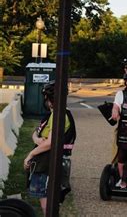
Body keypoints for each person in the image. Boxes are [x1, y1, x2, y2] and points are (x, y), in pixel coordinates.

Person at [23, 82, 76, 215]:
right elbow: (37, 133)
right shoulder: (56, 114)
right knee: (45, 200)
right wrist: (37, 139)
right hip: (46, 161)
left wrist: (30, 154)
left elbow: (50, 143)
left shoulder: (59, 114)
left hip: (48, 162)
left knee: (48, 204)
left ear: (48, 98)